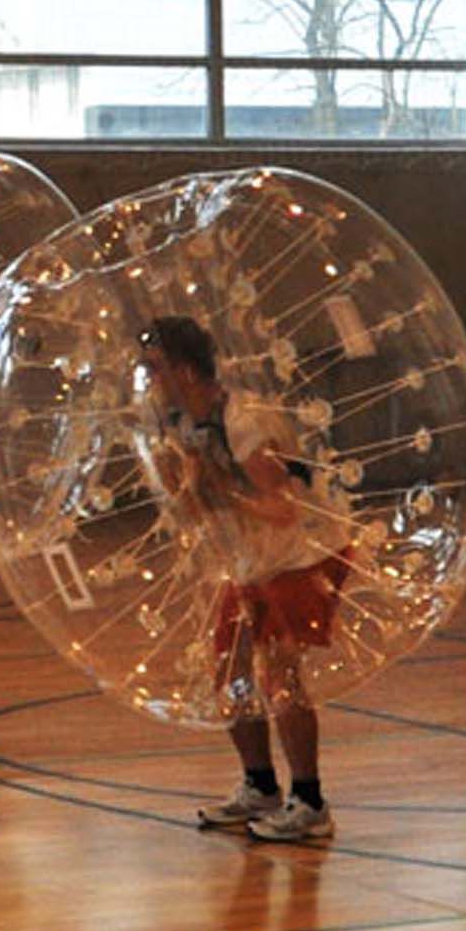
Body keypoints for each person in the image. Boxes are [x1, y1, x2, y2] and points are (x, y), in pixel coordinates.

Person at [135, 313, 356, 846]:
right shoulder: (177, 423)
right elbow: (193, 508)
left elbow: (281, 509)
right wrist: (185, 481)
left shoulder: (244, 422)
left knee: (279, 671)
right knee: (230, 668)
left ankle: (309, 800)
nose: (148, 380)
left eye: (154, 369)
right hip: (251, 558)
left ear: (186, 372)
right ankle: (260, 785)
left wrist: (216, 485)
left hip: (303, 552)